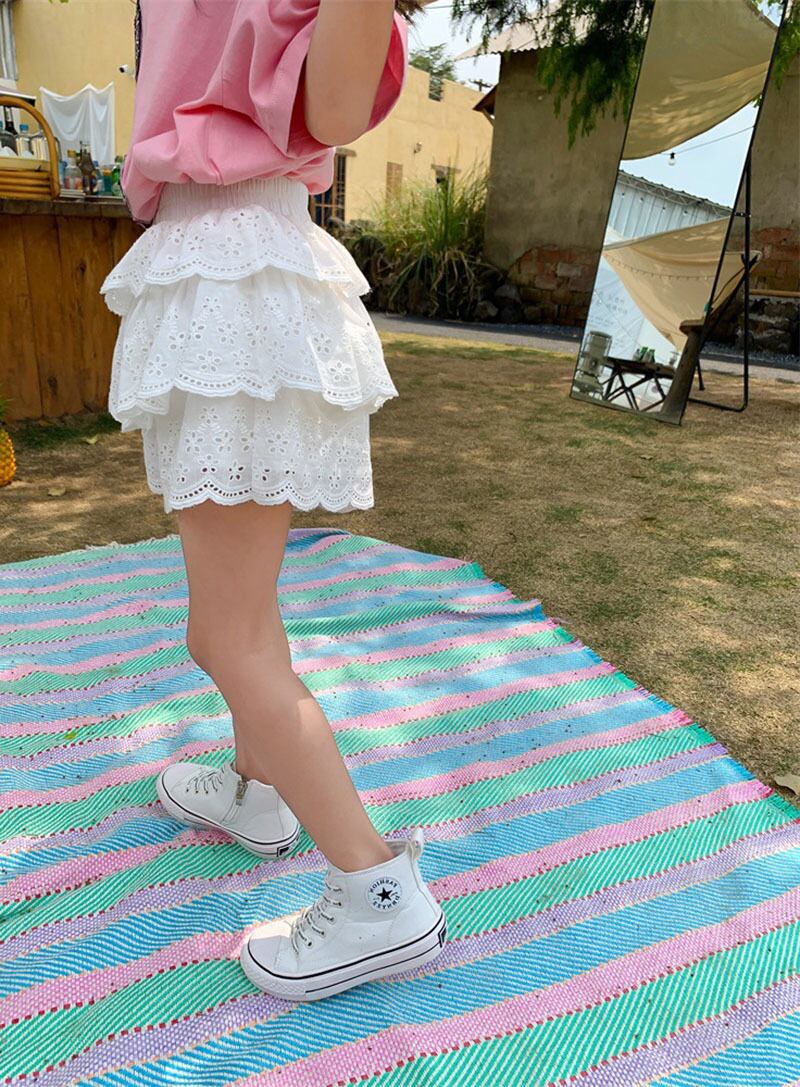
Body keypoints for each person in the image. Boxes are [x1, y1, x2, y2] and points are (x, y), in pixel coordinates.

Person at [99, 0, 446, 1002]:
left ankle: (377, 888)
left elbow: (329, 107)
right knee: (246, 613)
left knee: (224, 635)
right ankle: (257, 792)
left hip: (235, 272)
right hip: (223, 262)